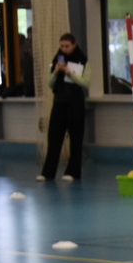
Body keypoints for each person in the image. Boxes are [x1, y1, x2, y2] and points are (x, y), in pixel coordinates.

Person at [40, 33, 89, 182]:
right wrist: (56, 71)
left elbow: (86, 82)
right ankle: (48, 172)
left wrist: (70, 73)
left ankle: (73, 172)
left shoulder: (83, 60)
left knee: (76, 138)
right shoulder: (57, 60)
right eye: (62, 46)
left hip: (76, 103)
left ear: (74, 45)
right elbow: (50, 84)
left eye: (67, 46)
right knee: (54, 137)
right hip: (59, 102)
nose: (64, 49)